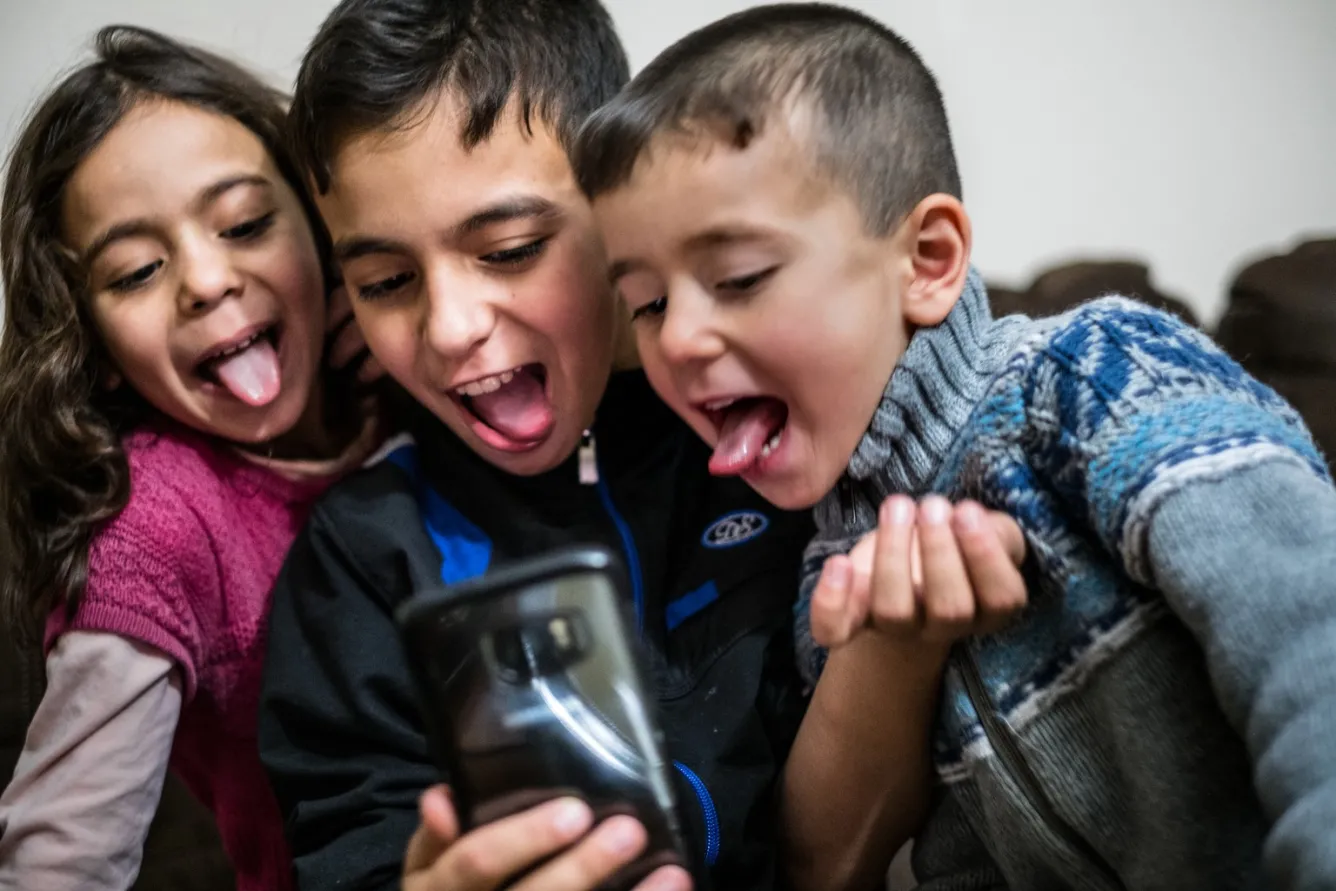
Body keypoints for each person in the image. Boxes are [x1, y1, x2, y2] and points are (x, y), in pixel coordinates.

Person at [255, 2, 1027, 890]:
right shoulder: (360, 561)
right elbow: (356, 845)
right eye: (386, 280)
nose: (450, 327)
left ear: (616, 209)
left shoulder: (788, 428)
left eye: (510, 249)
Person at [571, 4, 1336, 890]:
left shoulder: (1094, 375)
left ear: (929, 260)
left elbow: (1306, 621)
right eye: (649, 303)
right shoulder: (827, 562)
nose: (677, 340)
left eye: (738, 278)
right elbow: (852, 858)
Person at [0, 26, 378, 891]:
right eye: (136, 270)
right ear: (93, 343)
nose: (207, 281)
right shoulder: (151, 526)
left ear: (319, 222)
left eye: (244, 223)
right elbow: (57, 868)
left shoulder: (414, 375)